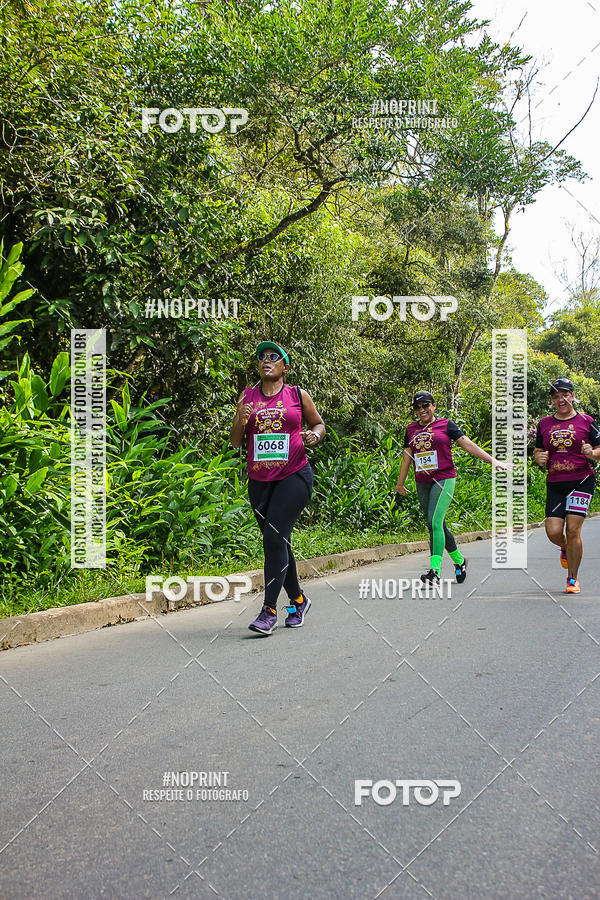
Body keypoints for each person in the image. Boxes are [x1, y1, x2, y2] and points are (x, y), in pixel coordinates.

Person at [230, 341, 325, 634]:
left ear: (285, 365)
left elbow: (319, 424)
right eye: (262, 357)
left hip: (294, 475)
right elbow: (235, 442)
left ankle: (268, 610)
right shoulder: (247, 397)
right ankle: (298, 600)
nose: (266, 360)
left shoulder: (297, 394)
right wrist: (239, 420)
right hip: (259, 482)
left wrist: (314, 436)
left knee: (273, 538)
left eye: (274, 357)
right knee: (278, 541)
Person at [394, 391, 509, 585]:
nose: (422, 410)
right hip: (422, 481)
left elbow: (467, 445)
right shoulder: (411, 429)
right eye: (417, 407)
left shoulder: (446, 425)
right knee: (436, 524)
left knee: (434, 522)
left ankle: (434, 572)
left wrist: (493, 461)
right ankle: (459, 561)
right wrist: (400, 483)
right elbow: (407, 456)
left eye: (425, 405)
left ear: (434, 406)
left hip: (444, 478)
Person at [533, 377, 600, 593]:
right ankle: (565, 547)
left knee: (573, 529)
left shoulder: (586, 421)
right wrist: (538, 458)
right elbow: (537, 450)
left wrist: (593, 453)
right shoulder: (544, 424)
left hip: (581, 482)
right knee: (553, 532)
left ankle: (572, 578)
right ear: (552, 400)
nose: (560, 399)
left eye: (564, 395)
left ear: (572, 396)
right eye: (556, 396)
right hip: (555, 483)